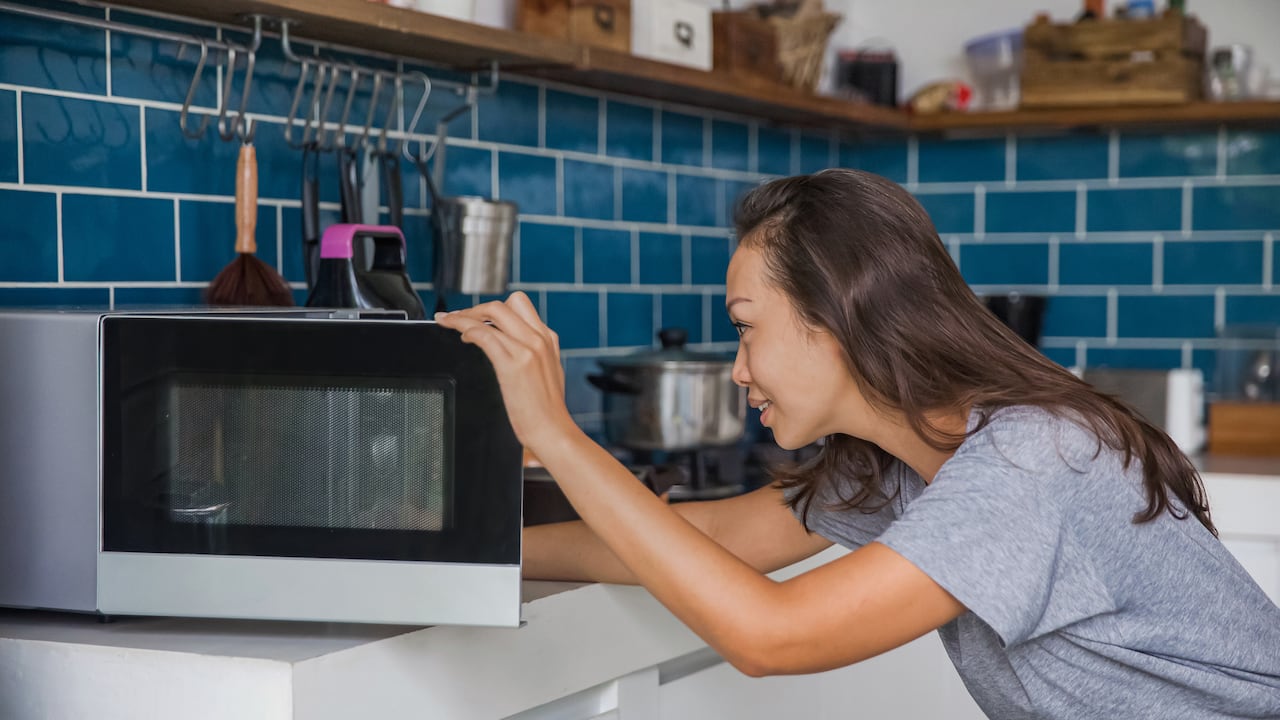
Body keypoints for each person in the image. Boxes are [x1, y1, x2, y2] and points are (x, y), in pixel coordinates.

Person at [435, 168, 1280, 719]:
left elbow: (775, 637)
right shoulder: (905, 465)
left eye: (745, 329)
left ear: (836, 320)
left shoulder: (1031, 463)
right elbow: (721, 537)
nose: (738, 371)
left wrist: (554, 432)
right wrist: (464, 550)